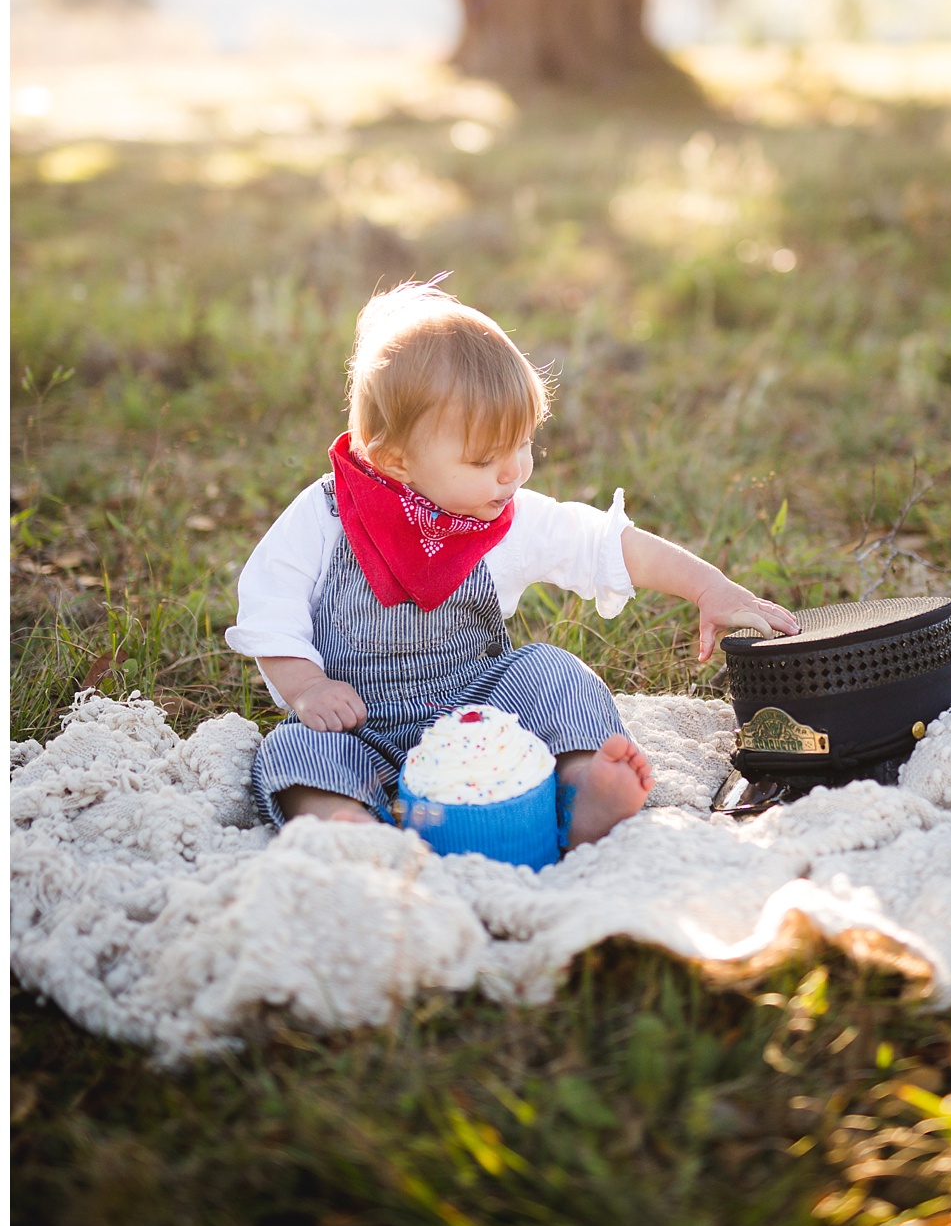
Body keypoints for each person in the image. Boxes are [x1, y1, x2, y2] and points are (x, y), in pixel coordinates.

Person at [227, 281, 797, 848]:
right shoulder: (327, 515)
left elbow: (604, 543)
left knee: (551, 671)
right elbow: (271, 602)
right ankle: (343, 822)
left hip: (484, 713)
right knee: (292, 750)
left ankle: (581, 790)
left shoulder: (504, 517)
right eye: (484, 459)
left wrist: (707, 586)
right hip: (357, 723)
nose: (513, 472)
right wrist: (307, 688)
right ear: (395, 460)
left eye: (522, 444)